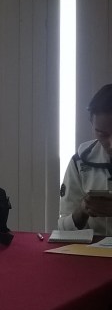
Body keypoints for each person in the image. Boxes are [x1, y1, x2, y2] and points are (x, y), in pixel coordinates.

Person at [58, 83, 112, 236]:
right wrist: (82, 210)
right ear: (91, 123)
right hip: (92, 249)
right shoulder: (80, 162)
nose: (111, 144)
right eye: (102, 134)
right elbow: (63, 231)